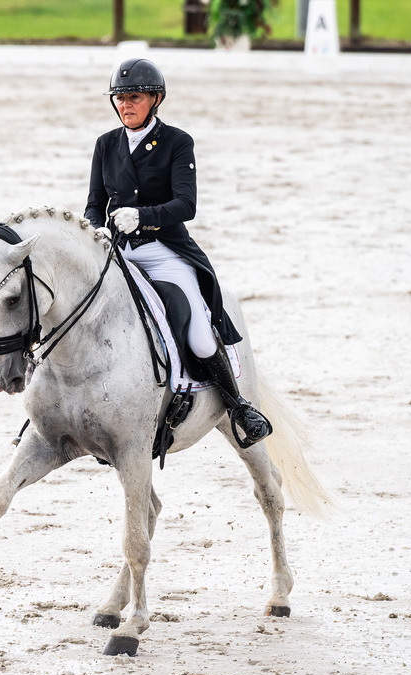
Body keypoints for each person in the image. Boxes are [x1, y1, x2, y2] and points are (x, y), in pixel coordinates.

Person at [84, 57, 271, 447]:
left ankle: (238, 406)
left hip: (164, 250)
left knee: (201, 338)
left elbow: (186, 205)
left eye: (133, 97)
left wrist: (143, 216)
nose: (125, 105)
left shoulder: (176, 142)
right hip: (120, 253)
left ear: (155, 99)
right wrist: (98, 229)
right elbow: (93, 203)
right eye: (119, 98)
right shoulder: (106, 145)